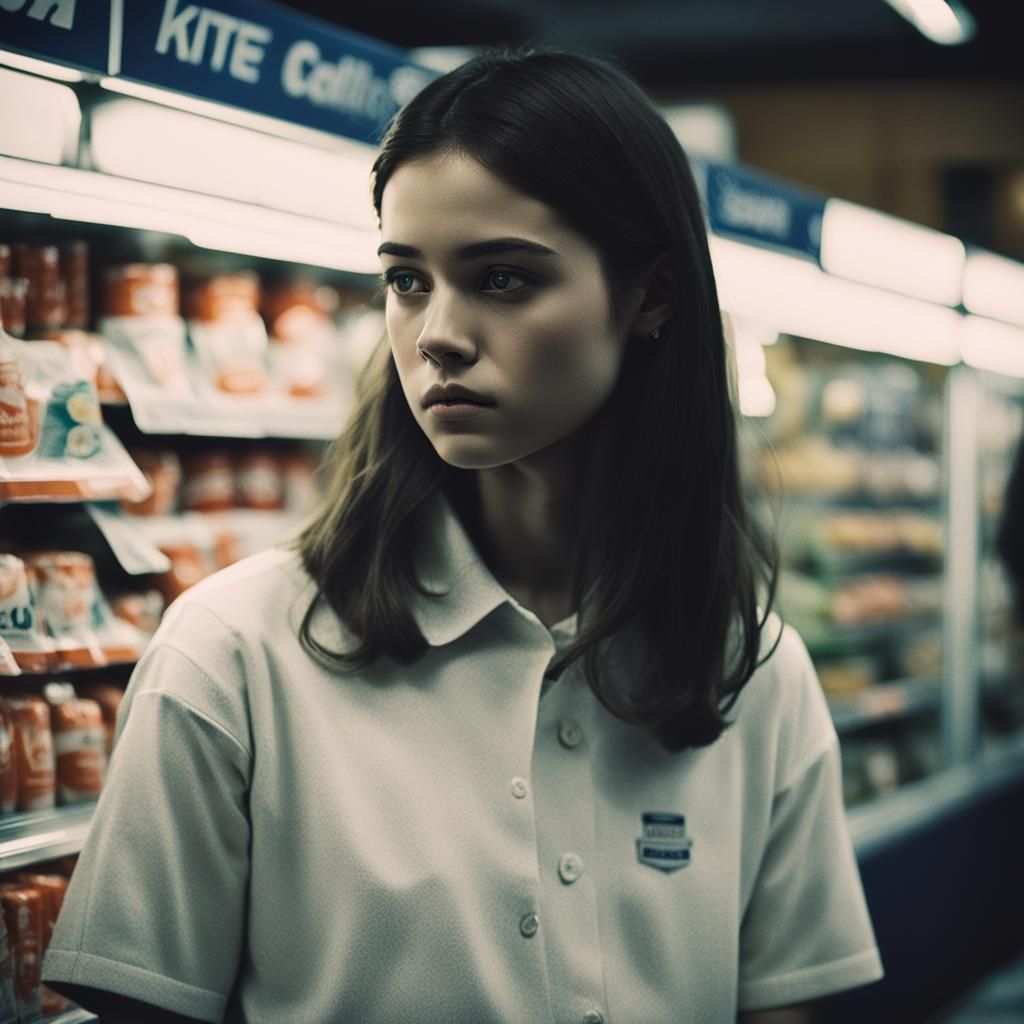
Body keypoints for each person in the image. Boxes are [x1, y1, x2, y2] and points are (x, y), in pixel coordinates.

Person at [41, 49, 883, 1023]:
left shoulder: (752, 671)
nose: (437, 331)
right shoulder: (234, 654)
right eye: (406, 280)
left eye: (502, 277)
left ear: (648, 298)